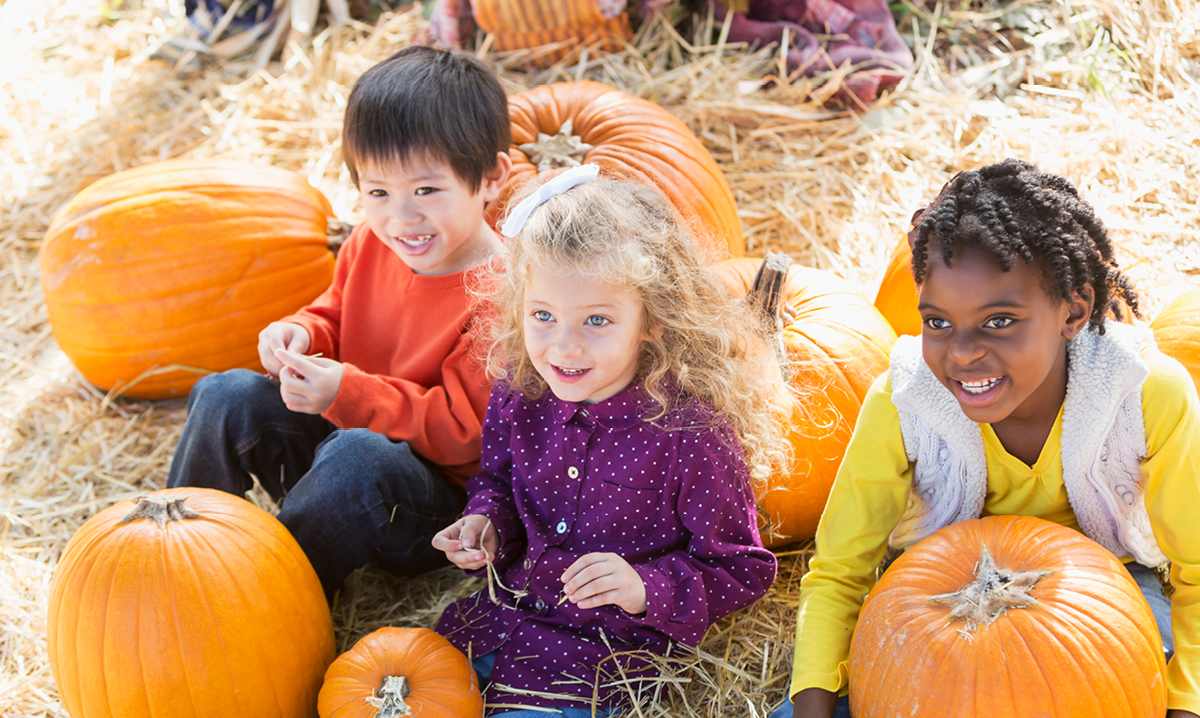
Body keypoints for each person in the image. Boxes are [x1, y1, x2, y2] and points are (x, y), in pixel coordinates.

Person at [772, 159, 1200, 717]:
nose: (962, 353)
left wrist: (1184, 705)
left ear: (1074, 311)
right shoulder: (902, 402)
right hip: (946, 593)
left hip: (1110, 589)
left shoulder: (1144, 394)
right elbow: (839, 571)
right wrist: (812, 703)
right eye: (938, 322)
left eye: (999, 320)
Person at [431, 168, 783, 716]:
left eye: (596, 320)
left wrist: (644, 587)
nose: (563, 347)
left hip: (596, 661)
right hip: (495, 628)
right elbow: (497, 482)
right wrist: (487, 524)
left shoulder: (692, 438)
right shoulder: (520, 393)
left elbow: (741, 570)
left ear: (654, 321)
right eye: (542, 316)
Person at [166, 45, 513, 597]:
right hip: (340, 440)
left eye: (426, 190)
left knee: (357, 454)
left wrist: (347, 392)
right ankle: (175, 549)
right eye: (378, 192)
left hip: (421, 506)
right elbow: (336, 311)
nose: (402, 217)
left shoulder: (499, 295)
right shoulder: (373, 241)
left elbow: (459, 436)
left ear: (491, 178)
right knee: (224, 392)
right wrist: (303, 332)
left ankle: (266, 599)